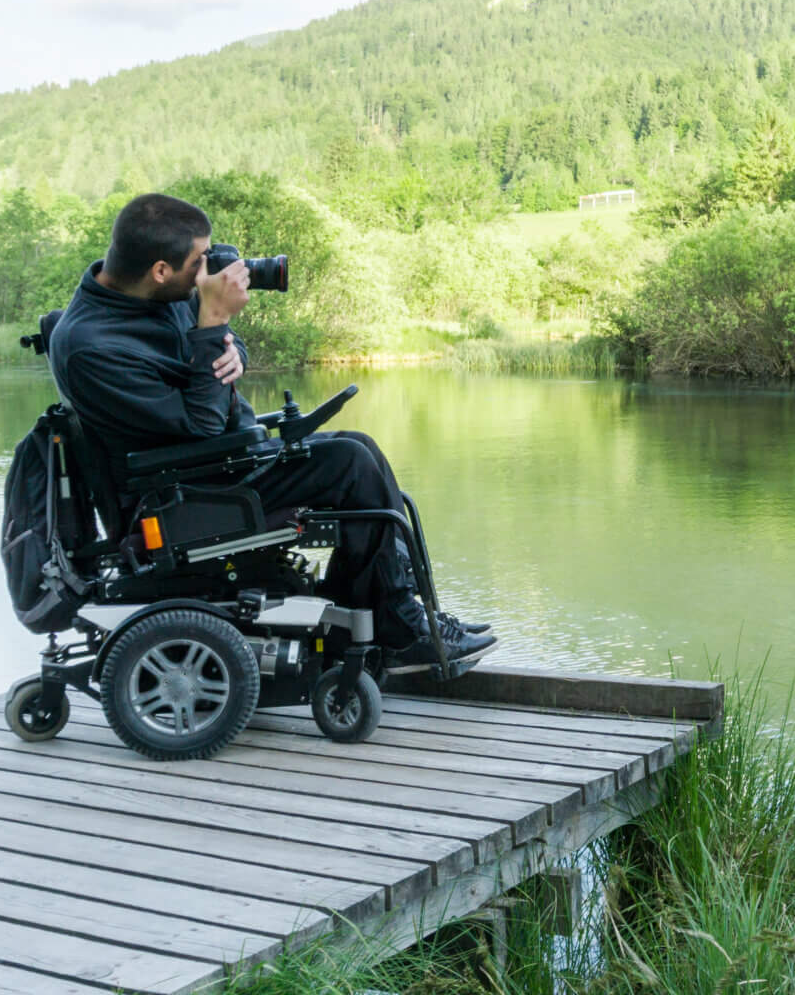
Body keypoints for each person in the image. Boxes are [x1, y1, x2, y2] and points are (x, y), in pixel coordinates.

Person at [47, 191, 492, 667]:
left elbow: (215, 353)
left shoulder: (155, 292)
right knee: (351, 465)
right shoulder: (89, 347)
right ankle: (399, 626)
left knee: (356, 445)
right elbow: (200, 424)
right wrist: (214, 318)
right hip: (178, 493)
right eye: (199, 262)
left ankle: (381, 614)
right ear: (160, 269)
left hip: (217, 463)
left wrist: (231, 343)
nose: (208, 272)